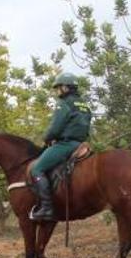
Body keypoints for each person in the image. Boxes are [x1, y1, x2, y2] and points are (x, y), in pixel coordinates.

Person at [28, 73, 92, 221]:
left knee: (36, 169)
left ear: (66, 87)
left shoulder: (64, 104)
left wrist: (47, 138)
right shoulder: (84, 104)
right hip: (81, 144)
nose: (58, 91)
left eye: (59, 88)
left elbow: (55, 127)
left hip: (66, 145)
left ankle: (46, 208)